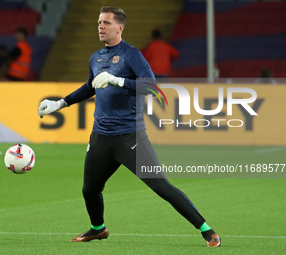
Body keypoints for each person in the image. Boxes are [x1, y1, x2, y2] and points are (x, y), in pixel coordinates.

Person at [38, 6, 221, 247]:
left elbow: (152, 87)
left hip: (129, 137)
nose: (100, 27)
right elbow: (89, 86)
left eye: (105, 22)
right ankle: (98, 229)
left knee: (160, 186)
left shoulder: (131, 55)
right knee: (89, 189)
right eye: (98, 23)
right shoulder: (95, 57)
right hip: (100, 138)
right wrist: (60, 103)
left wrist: (118, 80)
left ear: (119, 27)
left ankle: (207, 230)